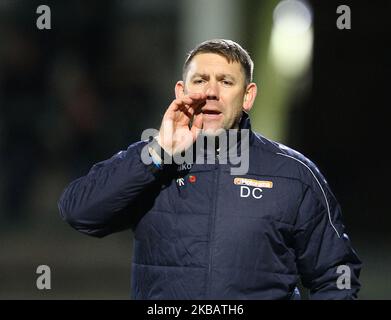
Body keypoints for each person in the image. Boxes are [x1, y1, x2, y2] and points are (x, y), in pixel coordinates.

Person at [58, 39, 361, 299]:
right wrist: (158, 153)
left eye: (226, 82)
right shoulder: (150, 159)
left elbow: (336, 276)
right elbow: (79, 212)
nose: (211, 92)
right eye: (200, 80)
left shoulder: (294, 175)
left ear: (248, 96)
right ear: (181, 91)